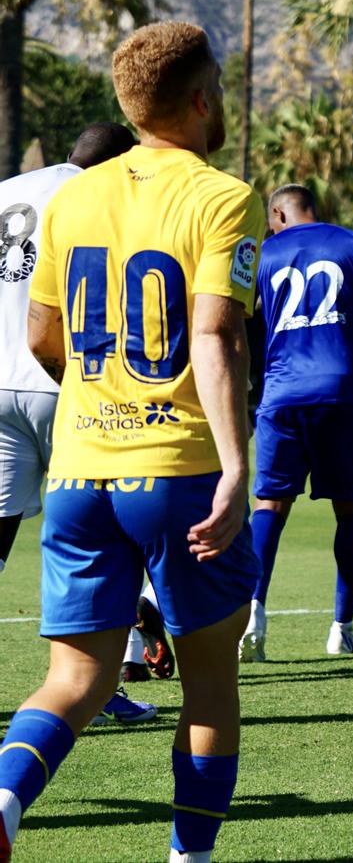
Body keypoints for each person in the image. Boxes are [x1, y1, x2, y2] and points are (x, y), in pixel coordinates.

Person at [0, 22, 263, 863]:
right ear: (199, 98)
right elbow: (216, 336)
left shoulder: (74, 196)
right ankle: (191, 858)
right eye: (218, 82)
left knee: (74, 680)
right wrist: (235, 466)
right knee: (211, 685)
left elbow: (45, 335)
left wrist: (99, 396)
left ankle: (3, 801)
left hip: (81, 469)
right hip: (178, 464)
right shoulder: (224, 194)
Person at [0, 122, 172, 711]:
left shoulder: (8, 190)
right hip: (66, 383)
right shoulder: (103, 196)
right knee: (104, 539)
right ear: (119, 161)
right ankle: (107, 684)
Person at [240, 185, 353, 660]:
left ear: (277, 214)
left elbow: (240, 317)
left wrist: (251, 383)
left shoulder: (264, 252)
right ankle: (341, 629)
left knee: (268, 506)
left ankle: (252, 617)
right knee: (351, 510)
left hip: (281, 393)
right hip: (343, 392)